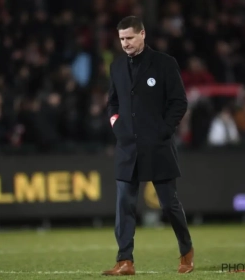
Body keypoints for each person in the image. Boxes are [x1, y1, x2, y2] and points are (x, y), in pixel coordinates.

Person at [102, 16, 194, 276]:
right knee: (124, 206)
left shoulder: (164, 63)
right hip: (127, 147)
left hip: (158, 146)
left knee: (169, 205)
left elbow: (179, 102)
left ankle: (186, 252)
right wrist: (116, 125)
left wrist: (163, 131)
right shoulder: (117, 66)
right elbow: (113, 103)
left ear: (143, 34)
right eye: (121, 39)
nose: (125, 44)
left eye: (130, 38)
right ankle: (125, 261)